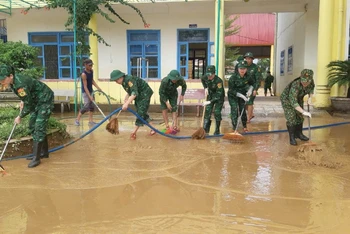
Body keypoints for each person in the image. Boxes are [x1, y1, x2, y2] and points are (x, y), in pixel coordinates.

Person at [0, 64, 54, 168]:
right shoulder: (14, 82)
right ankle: (44, 153)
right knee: (33, 125)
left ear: (10, 76)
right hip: (35, 100)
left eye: (3, 79)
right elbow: (27, 95)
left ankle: (36, 158)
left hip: (44, 100)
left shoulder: (20, 84)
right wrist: (23, 100)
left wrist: (20, 116)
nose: (2, 82)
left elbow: (28, 105)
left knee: (39, 126)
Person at [110, 69, 156, 140]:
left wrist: (127, 104)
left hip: (144, 94)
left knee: (140, 113)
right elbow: (130, 91)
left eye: (116, 80)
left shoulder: (129, 79)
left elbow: (134, 93)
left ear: (120, 77)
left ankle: (133, 132)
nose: (116, 82)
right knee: (142, 112)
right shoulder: (123, 82)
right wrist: (126, 98)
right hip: (139, 95)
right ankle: (154, 129)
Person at [280, 69, 314, 146]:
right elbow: (293, 102)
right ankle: (292, 137)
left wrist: (310, 98)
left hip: (299, 98)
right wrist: (304, 112)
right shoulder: (295, 85)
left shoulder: (311, 82)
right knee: (291, 117)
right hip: (287, 100)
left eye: (307, 81)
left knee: (299, 116)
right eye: (303, 81)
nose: (304, 83)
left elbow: (311, 89)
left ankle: (299, 134)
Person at [227, 61, 254, 132]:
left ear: (246, 69)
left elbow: (253, 83)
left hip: (243, 95)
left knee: (242, 110)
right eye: (241, 68)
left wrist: (250, 90)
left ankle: (244, 126)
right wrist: (241, 95)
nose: (242, 70)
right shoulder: (233, 78)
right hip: (233, 96)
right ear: (238, 69)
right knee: (234, 109)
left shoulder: (248, 76)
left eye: (244, 68)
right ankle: (234, 127)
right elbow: (231, 90)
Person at [75, 59, 103, 126]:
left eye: (91, 65)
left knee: (91, 106)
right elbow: (85, 86)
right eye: (89, 65)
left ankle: (90, 121)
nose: (91, 67)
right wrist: (89, 96)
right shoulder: (83, 74)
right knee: (86, 106)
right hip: (85, 92)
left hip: (91, 91)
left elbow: (92, 81)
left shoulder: (91, 71)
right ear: (85, 65)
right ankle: (77, 120)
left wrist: (98, 88)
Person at [200, 65, 225, 135]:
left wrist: (209, 101)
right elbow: (202, 79)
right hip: (210, 95)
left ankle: (217, 130)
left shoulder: (219, 81)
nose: (209, 77)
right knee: (207, 111)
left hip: (219, 97)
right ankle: (206, 130)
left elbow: (219, 95)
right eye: (208, 75)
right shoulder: (205, 77)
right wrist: (205, 88)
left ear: (214, 73)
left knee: (217, 112)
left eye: (211, 75)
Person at [244, 52, 262, 123]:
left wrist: (255, 89)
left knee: (249, 101)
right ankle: (251, 113)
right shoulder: (243, 66)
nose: (247, 60)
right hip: (244, 87)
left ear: (252, 59)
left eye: (249, 59)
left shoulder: (255, 68)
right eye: (246, 58)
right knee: (244, 102)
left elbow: (258, 80)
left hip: (252, 86)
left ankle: (248, 118)